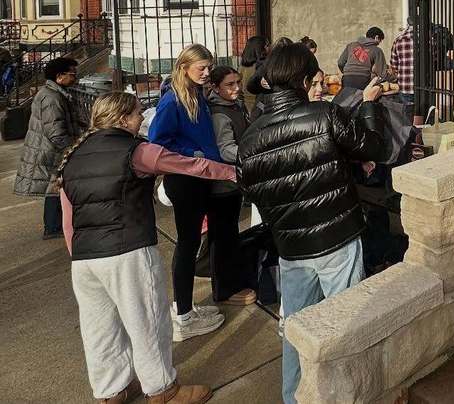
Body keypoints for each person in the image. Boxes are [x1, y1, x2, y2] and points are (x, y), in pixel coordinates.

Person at [236, 43, 391, 404]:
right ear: (304, 81)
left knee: (297, 328)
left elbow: (252, 192)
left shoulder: (250, 139)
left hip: (292, 250)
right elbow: (374, 148)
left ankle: (295, 397)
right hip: (338, 239)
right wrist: (369, 106)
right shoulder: (323, 116)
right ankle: (345, 395)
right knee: (344, 327)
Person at [57, 92, 235, 404]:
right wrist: (233, 172)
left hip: (85, 260)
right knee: (149, 322)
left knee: (99, 328)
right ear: (123, 119)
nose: (143, 119)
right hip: (128, 250)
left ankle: (112, 390)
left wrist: (79, 254)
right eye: (139, 113)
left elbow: (68, 216)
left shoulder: (73, 155)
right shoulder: (136, 151)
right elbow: (192, 166)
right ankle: (163, 388)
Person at [149, 44, 256, 343]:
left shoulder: (198, 95)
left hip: (201, 178)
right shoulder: (172, 101)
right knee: (187, 244)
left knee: (197, 240)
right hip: (185, 180)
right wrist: (192, 152)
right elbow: (157, 141)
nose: (208, 73)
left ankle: (189, 309)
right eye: (202, 68)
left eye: (209, 67)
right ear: (184, 67)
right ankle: (183, 316)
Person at [14, 56, 79, 238]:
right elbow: (56, 132)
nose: (75, 78)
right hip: (51, 151)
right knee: (54, 189)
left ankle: (54, 225)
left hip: (49, 149)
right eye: (72, 74)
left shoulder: (54, 94)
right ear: (59, 76)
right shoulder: (51, 98)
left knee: (54, 188)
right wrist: (71, 149)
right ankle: (53, 227)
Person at [205, 65, 252, 304]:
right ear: (215, 87)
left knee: (228, 233)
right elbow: (226, 150)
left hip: (234, 181)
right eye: (229, 85)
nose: (236, 88)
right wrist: (252, 155)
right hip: (222, 185)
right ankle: (224, 290)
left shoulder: (236, 104)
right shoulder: (219, 114)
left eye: (237, 82)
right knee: (222, 237)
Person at [389, 22, 415, 107]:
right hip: (425, 87)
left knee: (408, 115)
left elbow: (394, 66)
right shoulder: (428, 39)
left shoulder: (398, 40)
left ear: (407, 25)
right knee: (426, 114)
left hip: (406, 86)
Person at [239, 35, 268, 111]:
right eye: (266, 45)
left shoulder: (242, 66)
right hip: (259, 105)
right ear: (260, 48)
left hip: (246, 104)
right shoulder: (261, 66)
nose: (268, 48)